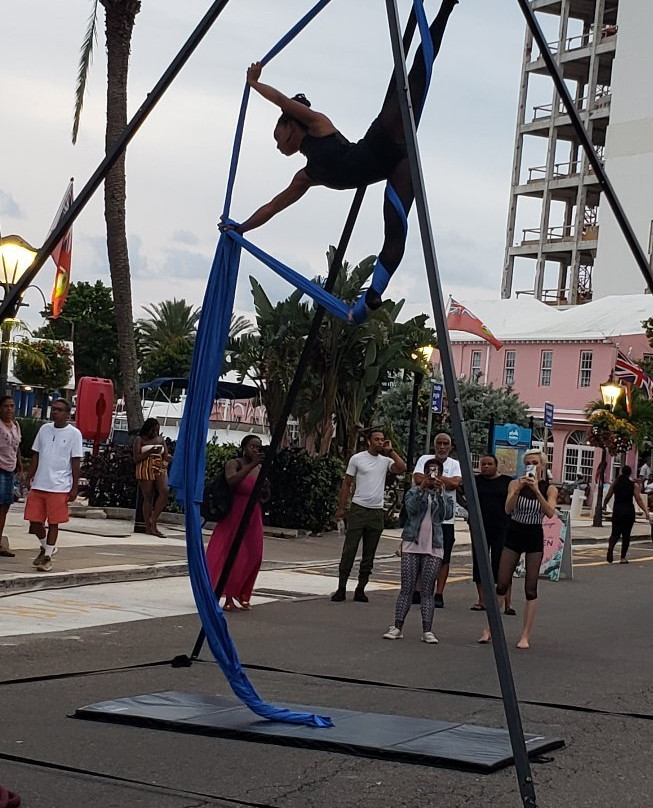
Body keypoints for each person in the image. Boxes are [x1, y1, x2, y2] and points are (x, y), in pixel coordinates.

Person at [221, 0, 460, 323]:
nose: (278, 147)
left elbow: (280, 100)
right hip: (395, 166)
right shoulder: (306, 176)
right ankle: (372, 296)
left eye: (278, 138)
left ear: (290, 125)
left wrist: (254, 82)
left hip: (383, 140)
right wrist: (241, 228)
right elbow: (273, 207)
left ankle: (445, 8)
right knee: (395, 231)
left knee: (411, 78)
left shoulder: (318, 125)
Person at [478, 449, 558, 650]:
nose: (531, 466)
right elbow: (507, 508)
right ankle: (489, 629)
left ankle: (525, 635)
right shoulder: (515, 483)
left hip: (533, 536)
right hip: (514, 532)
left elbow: (550, 513)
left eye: (535, 463)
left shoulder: (549, 489)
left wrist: (537, 490)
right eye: (528, 462)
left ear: (542, 465)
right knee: (501, 583)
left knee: (530, 588)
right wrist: (518, 489)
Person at [383, 458, 453, 644]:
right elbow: (411, 510)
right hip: (412, 544)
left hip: (434, 545)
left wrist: (439, 492)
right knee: (407, 587)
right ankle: (397, 626)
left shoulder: (444, 495)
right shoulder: (414, 491)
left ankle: (427, 630)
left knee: (428, 590)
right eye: (430, 471)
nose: (432, 475)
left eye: (436, 471)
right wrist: (422, 489)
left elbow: (447, 515)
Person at [332, 429, 406, 602]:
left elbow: (401, 468)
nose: (380, 442)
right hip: (359, 508)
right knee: (349, 550)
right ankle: (341, 587)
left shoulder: (385, 461)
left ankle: (360, 588)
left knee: (369, 554)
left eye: (382, 440)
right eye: (377, 439)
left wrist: (391, 451)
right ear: (369, 441)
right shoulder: (357, 459)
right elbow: (347, 483)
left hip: (376, 512)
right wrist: (341, 507)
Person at [205, 435, 270, 611]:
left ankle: (244, 592)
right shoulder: (234, 463)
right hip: (235, 513)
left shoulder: (259, 468)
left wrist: (265, 488)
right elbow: (232, 481)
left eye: (258, 447)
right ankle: (228, 596)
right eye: (252, 447)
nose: (255, 450)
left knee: (255, 553)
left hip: (253, 513)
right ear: (243, 447)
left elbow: (263, 495)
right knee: (232, 554)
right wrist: (251, 465)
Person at [24, 398, 83, 573]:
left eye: (59, 410)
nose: (54, 412)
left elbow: (75, 461)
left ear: (67, 413)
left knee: (54, 522)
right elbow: (36, 454)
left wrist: (74, 487)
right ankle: (46, 546)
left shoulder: (74, 434)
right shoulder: (44, 430)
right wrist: (30, 475)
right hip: (40, 483)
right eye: (53, 409)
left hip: (59, 485)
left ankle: (48, 556)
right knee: (34, 522)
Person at [413, 433, 462, 608]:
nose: (442, 447)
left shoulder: (454, 464)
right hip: (424, 516)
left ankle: (439, 593)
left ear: (450, 446)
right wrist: (439, 481)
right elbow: (418, 478)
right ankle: (417, 590)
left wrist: (433, 479)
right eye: (439, 443)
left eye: (445, 443)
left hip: (445, 520)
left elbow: (455, 483)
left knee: (444, 557)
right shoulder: (425, 459)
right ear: (434, 445)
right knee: (421, 553)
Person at [470, 454, 514, 614]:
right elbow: (462, 495)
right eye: (483, 464)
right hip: (479, 527)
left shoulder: (507, 482)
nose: (486, 467)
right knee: (480, 562)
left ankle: (507, 603)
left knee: (502, 564)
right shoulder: (475, 481)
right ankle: (482, 600)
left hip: (502, 527)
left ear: (496, 465)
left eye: (489, 464)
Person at [132, 418, 171, 537]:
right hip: (145, 465)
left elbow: (166, 455)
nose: (155, 432)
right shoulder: (139, 439)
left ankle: (153, 519)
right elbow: (136, 458)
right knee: (148, 496)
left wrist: (167, 460)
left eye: (157, 430)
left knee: (165, 490)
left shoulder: (161, 440)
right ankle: (149, 527)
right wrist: (149, 452)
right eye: (153, 430)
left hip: (159, 465)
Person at [604, 465, 648, 563]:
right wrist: (645, 511)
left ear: (621, 472)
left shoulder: (616, 483)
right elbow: (638, 499)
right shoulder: (633, 485)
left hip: (617, 511)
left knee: (615, 533)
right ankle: (623, 558)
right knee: (626, 535)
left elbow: (608, 495)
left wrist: (604, 504)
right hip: (628, 512)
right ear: (630, 473)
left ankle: (611, 547)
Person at [0, 396, 21, 558]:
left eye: (11, 406)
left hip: (11, 469)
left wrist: (20, 466)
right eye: (6, 406)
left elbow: (17, 448)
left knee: (6, 506)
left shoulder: (16, 426)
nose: (9, 409)